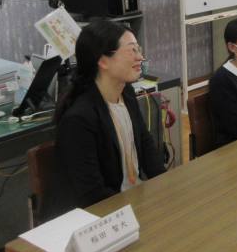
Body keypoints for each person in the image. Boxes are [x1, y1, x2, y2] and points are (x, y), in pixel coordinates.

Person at [55, 20, 165, 208]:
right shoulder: (79, 119)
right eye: (131, 51)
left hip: (136, 198)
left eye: (138, 49)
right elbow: (92, 194)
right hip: (109, 211)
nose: (140, 57)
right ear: (103, 61)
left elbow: (144, 142)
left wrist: (166, 184)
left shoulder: (126, 93)